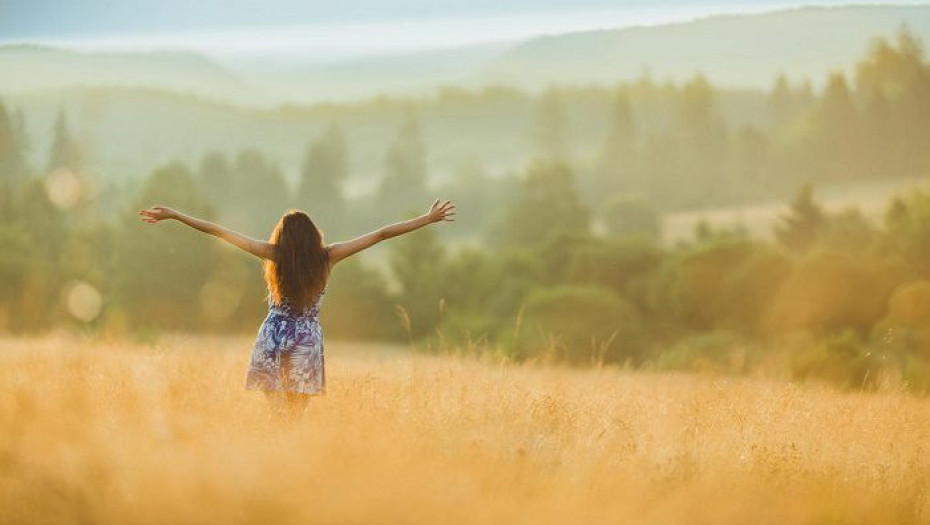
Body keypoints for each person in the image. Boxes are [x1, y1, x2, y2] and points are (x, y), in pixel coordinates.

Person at [138, 199, 456, 418]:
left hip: (273, 335)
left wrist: (177, 215)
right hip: (306, 338)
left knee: (275, 411)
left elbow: (219, 232)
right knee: (295, 414)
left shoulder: (272, 254)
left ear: (283, 237)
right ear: (312, 236)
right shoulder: (327, 257)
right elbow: (380, 234)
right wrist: (427, 219)